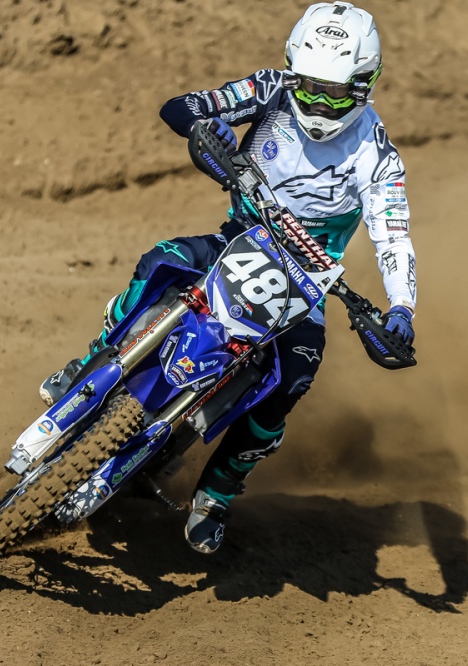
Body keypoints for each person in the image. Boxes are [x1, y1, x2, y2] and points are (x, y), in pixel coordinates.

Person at [39, 1, 417, 554]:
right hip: (237, 240)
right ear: (292, 69)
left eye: (335, 94)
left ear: (365, 85)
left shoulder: (378, 157)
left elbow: (394, 238)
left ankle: (216, 494)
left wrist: (402, 309)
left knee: (293, 379)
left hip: (306, 287)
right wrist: (202, 128)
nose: (318, 102)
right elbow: (182, 105)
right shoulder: (269, 90)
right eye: (310, 87)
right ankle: (90, 361)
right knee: (160, 261)